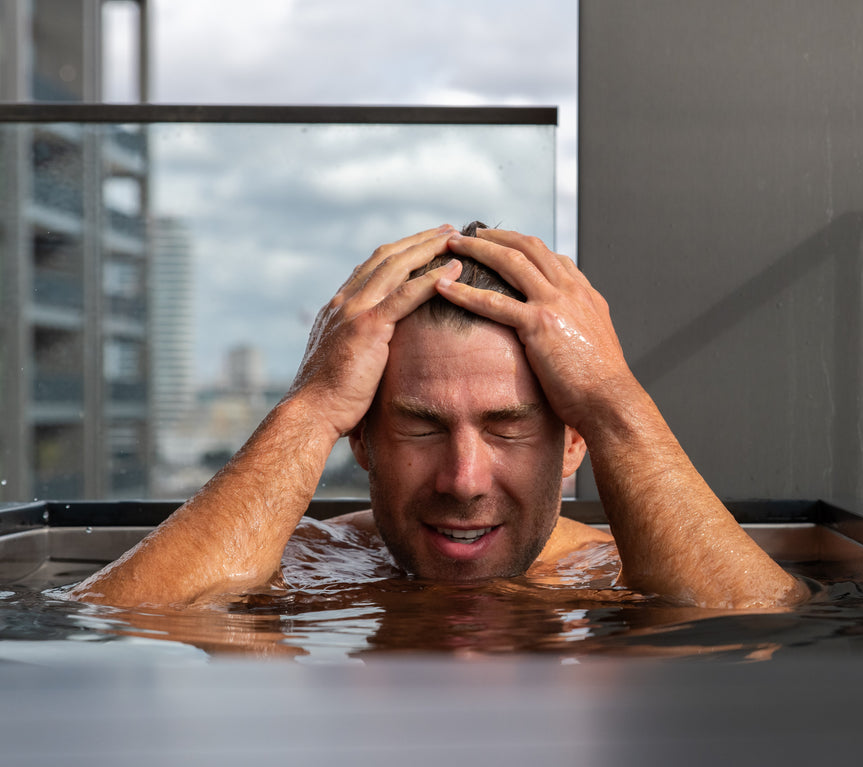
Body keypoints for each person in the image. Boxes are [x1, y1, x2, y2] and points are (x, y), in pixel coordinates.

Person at [72, 222, 806, 609]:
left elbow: (757, 630)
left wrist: (614, 397)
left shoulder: (619, 569)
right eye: (421, 425)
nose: (463, 479)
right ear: (360, 438)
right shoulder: (305, 560)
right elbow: (117, 627)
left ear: (576, 436)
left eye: (507, 426)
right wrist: (311, 406)